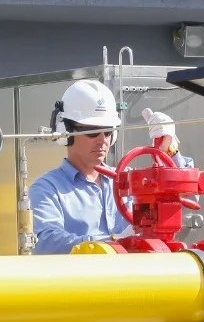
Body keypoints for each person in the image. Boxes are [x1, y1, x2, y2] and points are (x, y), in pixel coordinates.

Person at [29, 79, 130, 255]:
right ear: (65, 131)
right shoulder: (47, 188)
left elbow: (181, 202)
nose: (102, 139)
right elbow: (46, 242)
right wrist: (111, 243)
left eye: (108, 132)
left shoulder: (127, 179)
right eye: (92, 131)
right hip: (82, 281)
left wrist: (170, 151)